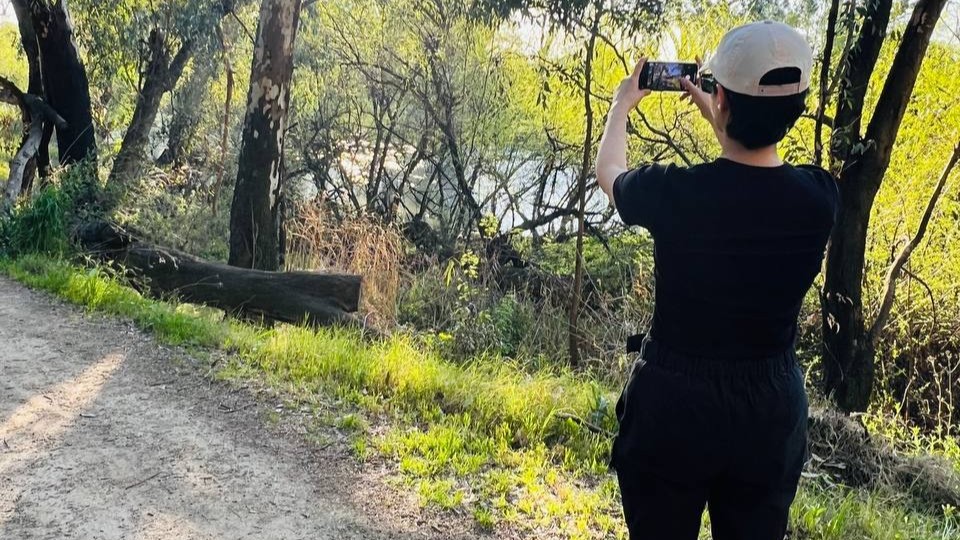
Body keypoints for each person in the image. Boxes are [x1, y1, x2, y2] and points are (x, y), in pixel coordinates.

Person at [595, 21, 839, 540]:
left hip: (673, 407)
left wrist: (622, 104)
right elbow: (755, 171)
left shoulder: (676, 193)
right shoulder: (820, 199)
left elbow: (609, 172)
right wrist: (727, 114)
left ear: (720, 96)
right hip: (769, 413)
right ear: (797, 109)